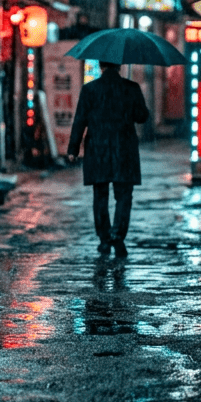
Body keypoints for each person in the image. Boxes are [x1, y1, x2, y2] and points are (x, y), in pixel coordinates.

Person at [66, 62, 150, 257]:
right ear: (119, 66)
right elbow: (142, 116)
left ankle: (104, 239)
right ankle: (117, 235)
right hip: (124, 149)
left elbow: (80, 120)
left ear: (100, 66)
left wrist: (73, 149)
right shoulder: (131, 88)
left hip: (98, 149)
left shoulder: (90, 89)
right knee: (124, 196)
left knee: (100, 195)